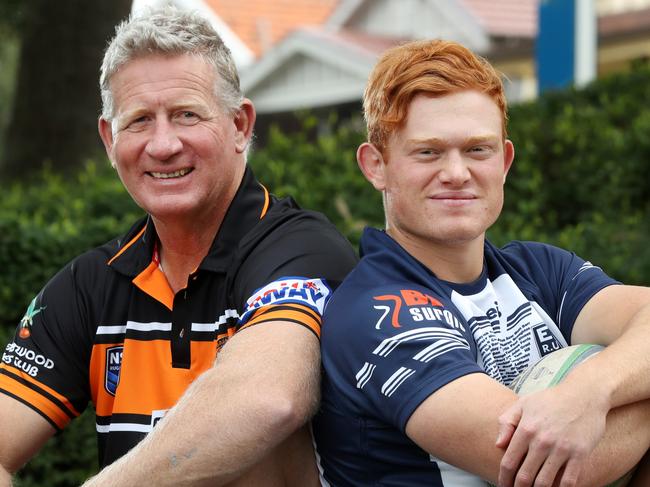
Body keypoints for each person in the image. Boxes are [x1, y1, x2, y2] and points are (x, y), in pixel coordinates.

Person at [0, 7, 357, 486]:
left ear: (240, 125)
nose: (163, 144)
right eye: (140, 120)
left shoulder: (300, 250)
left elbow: (268, 398)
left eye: (187, 115)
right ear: (109, 140)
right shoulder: (89, 284)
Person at [313, 39, 650, 486]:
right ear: (376, 166)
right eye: (428, 152)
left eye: (478, 150)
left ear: (505, 161)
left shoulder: (539, 269)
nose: (456, 172)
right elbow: (551, 469)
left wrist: (591, 392)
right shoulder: (376, 311)